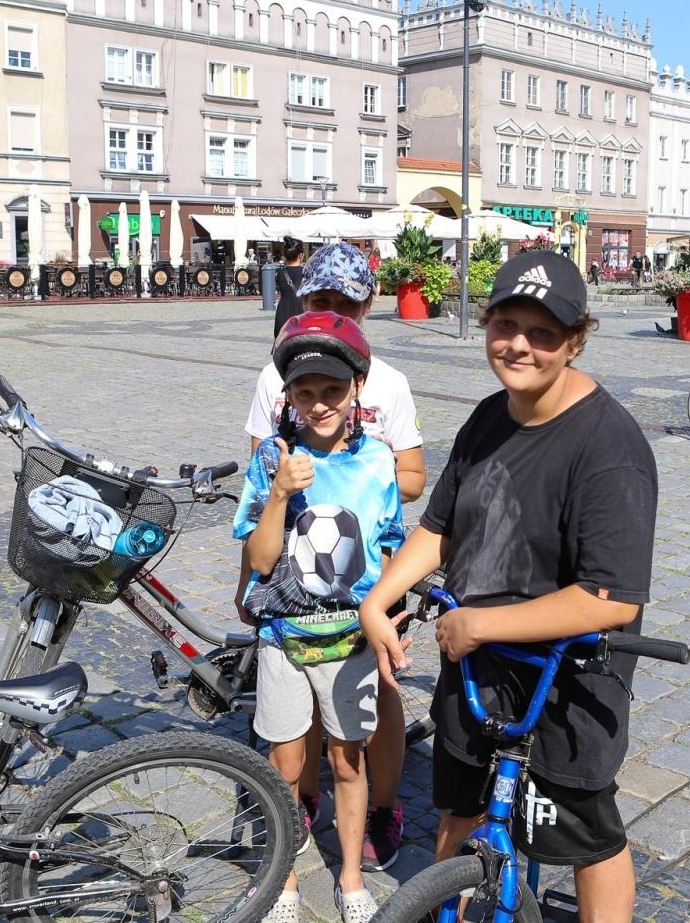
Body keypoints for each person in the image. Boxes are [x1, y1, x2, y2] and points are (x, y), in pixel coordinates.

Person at [360, 250, 658, 923]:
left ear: (575, 340)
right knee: (460, 807)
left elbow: (610, 597)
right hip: (477, 668)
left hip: (569, 675)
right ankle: (452, 907)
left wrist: (481, 624)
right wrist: (377, 598)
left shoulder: (609, 448)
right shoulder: (489, 416)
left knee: (585, 833)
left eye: (543, 332)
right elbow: (440, 528)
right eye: (505, 324)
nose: (519, 344)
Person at [242, 240, 425, 873]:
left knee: (378, 694)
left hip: (363, 568)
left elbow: (412, 477)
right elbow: (262, 471)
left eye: (344, 302)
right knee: (300, 711)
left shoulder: (387, 383)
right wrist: (290, 487)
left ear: (367, 304)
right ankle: (300, 798)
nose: (331, 310)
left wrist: (356, 480)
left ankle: (381, 802)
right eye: (319, 299)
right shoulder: (277, 373)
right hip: (296, 576)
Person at [272, 236, 307, 338]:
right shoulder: (306, 273)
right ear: (301, 255)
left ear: (285, 256)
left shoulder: (280, 273)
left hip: (283, 314)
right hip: (302, 314)